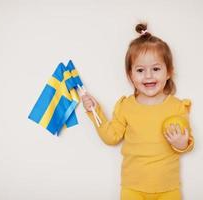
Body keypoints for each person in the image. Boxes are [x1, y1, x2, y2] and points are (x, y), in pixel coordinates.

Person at [81, 23, 194, 200]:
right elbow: (111, 137)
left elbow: (188, 143)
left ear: (169, 72)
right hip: (133, 188)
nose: (148, 76)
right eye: (140, 70)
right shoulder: (126, 106)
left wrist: (181, 143)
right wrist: (94, 111)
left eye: (156, 69)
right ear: (131, 75)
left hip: (168, 188)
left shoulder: (177, 106)